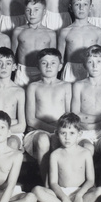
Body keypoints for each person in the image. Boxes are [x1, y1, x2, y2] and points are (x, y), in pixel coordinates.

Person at [32, 113, 101, 202]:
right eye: (63, 133)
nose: (67, 137)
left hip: (81, 192)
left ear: (79, 134)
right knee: (36, 190)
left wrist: (79, 195)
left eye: (72, 133)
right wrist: (64, 198)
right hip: (61, 193)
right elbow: (53, 183)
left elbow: (91, 180)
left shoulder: (85, 153)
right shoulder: (55, 155)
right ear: (57, 134)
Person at [71, 45, 101, 185]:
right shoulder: (78, 86)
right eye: (90, 62)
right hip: (83, 129)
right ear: (84, 65)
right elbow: (75, 114)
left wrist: (94, 123)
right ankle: (85, 184)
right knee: (87, 148)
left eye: (98, 62)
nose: (94, 66)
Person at [24, 48, 72, 180]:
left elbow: (69, 116)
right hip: (38, 131)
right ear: (38, 66)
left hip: (61, 130)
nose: (49, 66)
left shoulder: (66, 86)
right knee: (43, 140)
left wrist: (60, 131)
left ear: (60, 66)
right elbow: (31, 120)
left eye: (53, 63)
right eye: (44, 63)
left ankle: (60, 181)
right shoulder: (33, 87)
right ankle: (45, 181)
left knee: (59, 140)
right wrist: (55, 130)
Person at [58, 0, 101, 83]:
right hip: (70, 71)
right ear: (70, 7)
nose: (81, 8)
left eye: (85, 4)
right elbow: (59, 60)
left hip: (90, 70)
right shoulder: (65, 32)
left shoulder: (97, 31)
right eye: (77, 4)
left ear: (91, 7)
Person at [11, 0, 56, 87]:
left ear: (44, 12)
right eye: (28, 10)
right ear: (24, 11)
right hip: (22, 72)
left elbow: (53, 58)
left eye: (36, 10)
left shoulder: (50, 33)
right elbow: (13, 55)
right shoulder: (18, 31)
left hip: (42, 71)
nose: (32, 13)